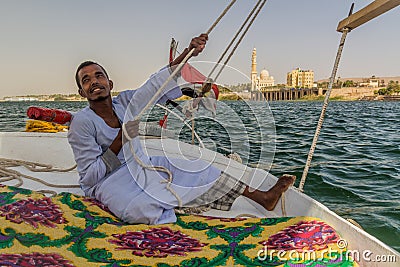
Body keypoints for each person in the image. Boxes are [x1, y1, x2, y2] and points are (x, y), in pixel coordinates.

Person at [68, 33, 295, 225]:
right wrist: (121, 140)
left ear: (110, 83)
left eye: (99, 76)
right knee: (139, 208)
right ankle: (170, 209)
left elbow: (156, 84)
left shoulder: (125, 102)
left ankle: (264, 197)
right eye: (86, 80)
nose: (94, 82)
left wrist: (188, 52)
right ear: (82, 92)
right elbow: (89, 178)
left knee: (201, 169)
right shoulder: (81, 123)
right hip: (109, 181)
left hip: (141, 164)